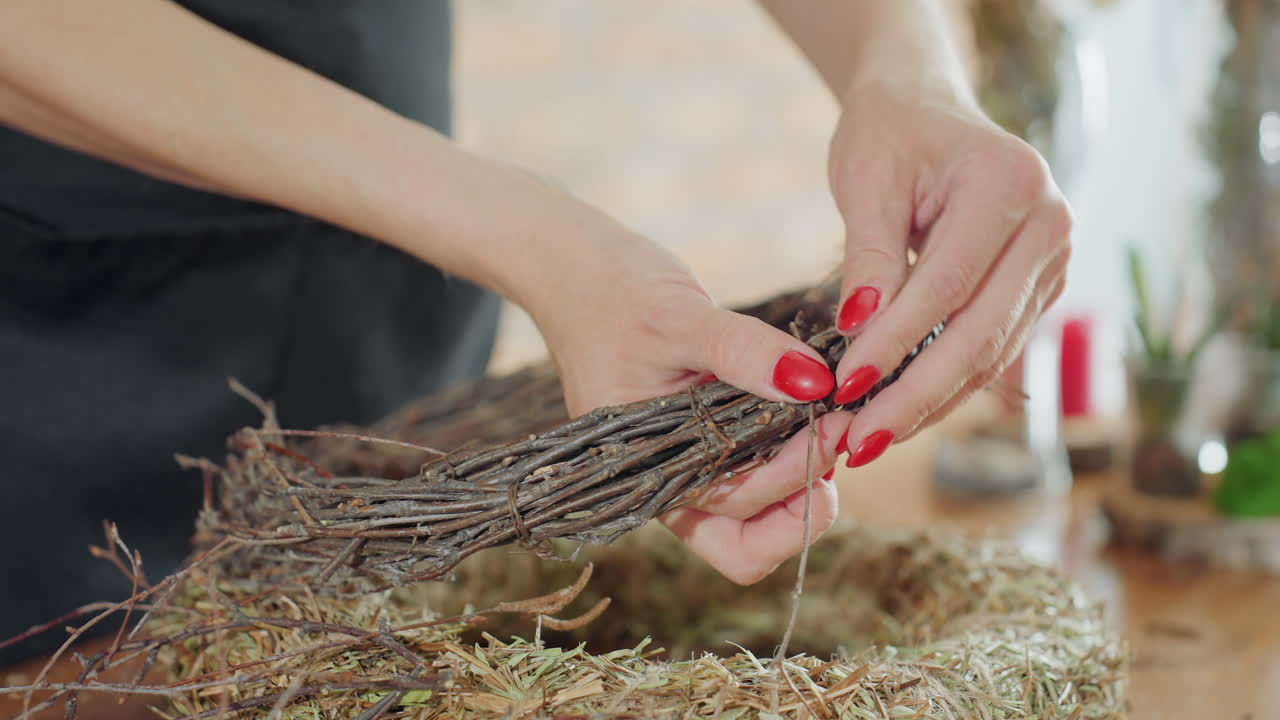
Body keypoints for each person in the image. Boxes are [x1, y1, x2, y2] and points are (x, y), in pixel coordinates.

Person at [0, 0, 1071, 664]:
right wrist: (531, 235)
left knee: (361, 658)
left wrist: (905, 70)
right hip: (72, 342)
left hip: (394, 289)